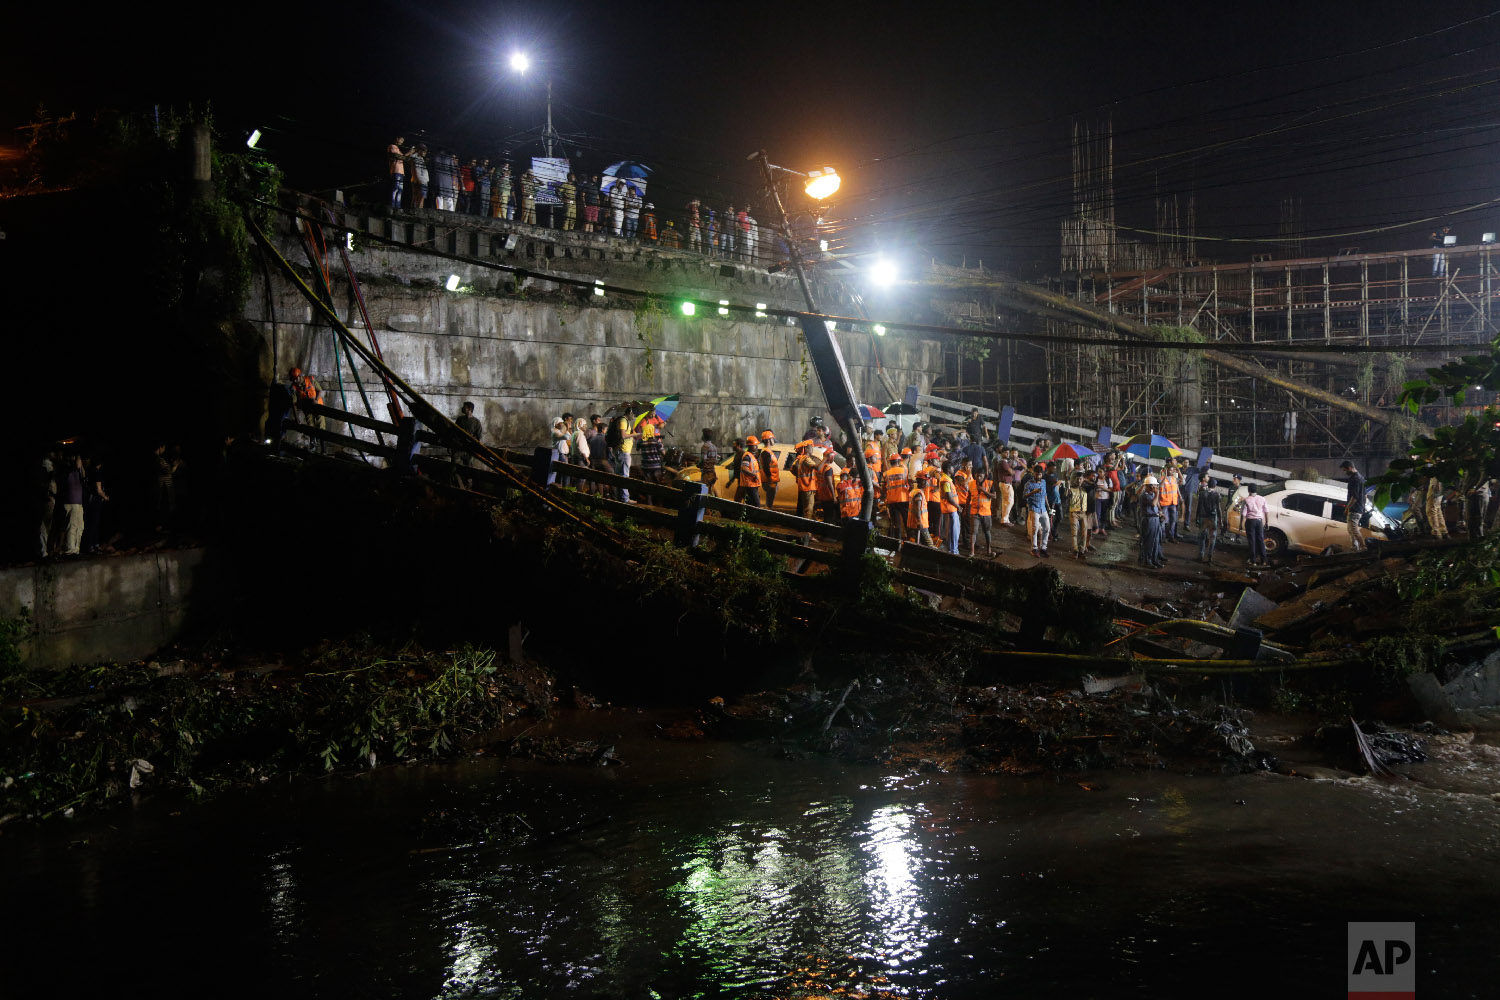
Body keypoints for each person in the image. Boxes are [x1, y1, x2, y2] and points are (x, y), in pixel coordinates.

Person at [82, 455, 110, 555]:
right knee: (94, 524)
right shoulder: (97, 473)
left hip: (90, 501)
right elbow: (98, 489)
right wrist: (105, 497)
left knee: (91, 523)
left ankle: (92, 545)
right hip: (95, 501)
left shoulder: (89, 472)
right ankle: (92, 546)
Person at [967, 460, 995, 557]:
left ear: (984, 476)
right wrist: (966, 509)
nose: (978, 478)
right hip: (974, 511)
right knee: (973, 532)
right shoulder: (971, 484)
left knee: (987, 531)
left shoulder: (990, 484)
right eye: (977, 476)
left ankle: (989, 550)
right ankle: (972, 551)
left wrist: (983, 490)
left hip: (986, 512)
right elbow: (968, 497)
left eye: (980, 476)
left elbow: (994, 496)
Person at [1022, 463, 1050, 558]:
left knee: (1047, 528)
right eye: (1037, 474)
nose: (1038, 476)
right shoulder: (1029, 484)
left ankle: (1043, 548)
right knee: (1035, 528)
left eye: (1040, 474)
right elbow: (1024, 496)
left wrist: (1048, 506)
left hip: (1043, 508)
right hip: (1033, 508)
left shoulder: (1043, 482)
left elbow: (1045, 494)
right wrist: (1033, 492)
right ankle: (1034, 549)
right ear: (1033, 473)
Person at [883, 451, 910, 541]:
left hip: (892, 500)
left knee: (896, 523)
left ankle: (897, 542)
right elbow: (908, 483)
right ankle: (909, 541)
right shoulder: (904, 470)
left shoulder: (886, 473)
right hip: (903, 498)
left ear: (890, 462)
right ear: (898, 462)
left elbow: (884, 488)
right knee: (906, 521)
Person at [1138, 478, 1165, 569]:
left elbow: (1157, 504)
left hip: (1155, 518)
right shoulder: (1144, 495)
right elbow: (1153, 504)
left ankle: (1154, 560)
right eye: (1154, 485)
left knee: (1156, 541)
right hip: (1148, 520)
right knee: (1148, 541)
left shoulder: (1152, 494)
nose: (1156, 487)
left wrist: (1160, 512)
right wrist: (1157, 493)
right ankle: (1147, 561)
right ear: (1149, 486)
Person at [1339, 460, 1366, 552]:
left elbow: (1355, 497)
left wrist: (1347, 507)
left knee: (1353, 529)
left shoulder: (1355, 479)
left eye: (1345, 470)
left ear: (1350, 468)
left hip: (1355, 508)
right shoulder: (1361, 478)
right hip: (1359, 508)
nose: (1345, 472)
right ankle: (1355, 548)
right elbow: (1364, 495)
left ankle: (1363, 547)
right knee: (1350, 529)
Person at [1196, 477, 1224, 563]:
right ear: (1215, 485)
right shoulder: (1217, 495)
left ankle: (1201, 554)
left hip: (1203, 517)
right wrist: (1221, 520)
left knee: (1202, 537)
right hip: (1212, 517)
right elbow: (1218, 509)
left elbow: (1199, 506)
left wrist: (1197, 517)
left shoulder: (1202, 493)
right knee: (1212, 537)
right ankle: (1210, 554)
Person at [1240, 483, 1268, 567]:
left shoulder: (1246, 500)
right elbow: (1266, 511)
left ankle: (1253, 561)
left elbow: (1243, 514)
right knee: (1261, 540)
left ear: (1248, 490)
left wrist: (1241, 524)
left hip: (1250, 522)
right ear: (1256, 490)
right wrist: (1267, 522)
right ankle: (1264, 561)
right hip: (1259, 521)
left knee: (1252, 541)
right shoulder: (1262, 499)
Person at [1067, 472, 1091, 558]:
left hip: (1083, 513)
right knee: (1074, 533)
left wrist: (1086, 480)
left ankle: (1082, 551)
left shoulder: (1085, 488)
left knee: (1084, 533)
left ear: (1083, 479)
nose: (1079, 480)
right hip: (1074, 513)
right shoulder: (1071, 488)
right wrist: (1068, 486)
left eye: (1080, 478)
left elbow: (1094, 486)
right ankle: (1075, 550)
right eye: (1077, 479)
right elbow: (1066, 495)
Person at [737, 435, 763, 506]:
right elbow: (744, 468)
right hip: (750, 485)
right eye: (755, 445)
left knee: (751, 505)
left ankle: (749, 517)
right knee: (756, 505)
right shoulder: (747, 456)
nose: (757, 447)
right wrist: (754, 475)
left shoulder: (751, 456)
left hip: (753, 484)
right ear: (750, 446)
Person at [757, 430, 781, 507]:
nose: (773, 440)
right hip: (769, 481)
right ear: (769, 440)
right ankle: (766, 516)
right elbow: (766, 468)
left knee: (769, 501)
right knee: (769, 503)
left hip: (771, 480)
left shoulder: (768, 452)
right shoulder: (766, 452)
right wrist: (770, 479)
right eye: (772, 439)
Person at [639, 420, 665, 484]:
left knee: (648, 483)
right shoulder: (657, 442)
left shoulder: (641, 442)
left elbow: (637, 447)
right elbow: (664, 454)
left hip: (645, 467)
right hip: (656, 466)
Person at [697, 429, 721, 495]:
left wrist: (698, 465)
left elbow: (703, 460)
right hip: (713, 473)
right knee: (711, 491)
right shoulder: (714, 447)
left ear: (704, 437)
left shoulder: (704, 447)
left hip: (706, 474)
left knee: (705, 492)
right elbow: (715, 460)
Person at [387, 136, 406, 211]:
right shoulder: (392, 146)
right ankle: (392, 205)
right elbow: (399, 157)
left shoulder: (398, 149)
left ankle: (397, 206)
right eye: (401, 140)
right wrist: (408, 153)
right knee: (395, 188)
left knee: (400, 190)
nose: (402, 142)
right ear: (397, 139)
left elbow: (403, 157)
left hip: (400, 172)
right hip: (396, 170)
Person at [409, 144, 429, 210]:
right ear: (420, 151)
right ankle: (418, 211)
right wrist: (420, 180)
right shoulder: (416, 158)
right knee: (421, 197)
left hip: (419, 180)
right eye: (424, 151)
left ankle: (414, 210)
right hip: (421, 180)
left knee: (416, 196)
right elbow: (417, 170)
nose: (425, 153)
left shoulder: (419, 158)